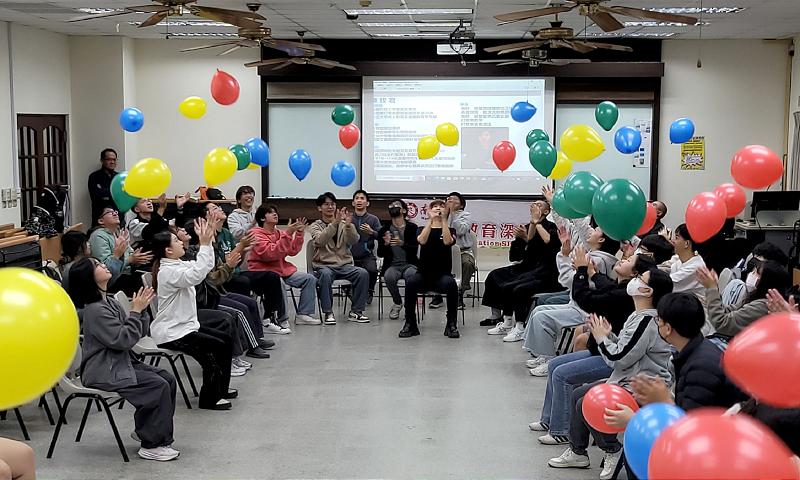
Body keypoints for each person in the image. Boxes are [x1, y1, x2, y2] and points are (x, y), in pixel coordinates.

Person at [603, 292, 747, 480]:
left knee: (638, 440)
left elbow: (693, 428)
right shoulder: (697, 351)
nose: (657, 323)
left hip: (715, 452)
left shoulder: (701, 366)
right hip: (713, 439)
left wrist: (636, 419)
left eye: (658, 320)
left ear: (668, 328)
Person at [548, 268, 673, 479]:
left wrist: (601, 338)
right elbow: (625, 349)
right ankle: (578, 452)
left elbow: (618, 358)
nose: (634, 280)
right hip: (626, 378)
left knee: (584, 402)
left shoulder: (646, 321)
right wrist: (609, 335)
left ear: (647, 290)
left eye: (639, 278)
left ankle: (612, 449)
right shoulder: (638, 316)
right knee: (578, 394)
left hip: (642, 386)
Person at [530, 254, 655, 447]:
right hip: (605, 350)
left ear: (636, 276)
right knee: (554, 365)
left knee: (562, 375)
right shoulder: (623, 291)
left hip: (611, 357)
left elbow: (588, 299)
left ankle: (561, 431)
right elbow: (608, 286)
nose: (623, 259)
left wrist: (582, 272)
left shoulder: (631, 302)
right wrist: (591, 273)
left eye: (629, 261)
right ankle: (549, 419)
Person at [67, 257, 179, 461]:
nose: (103, 265)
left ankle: (147, 430)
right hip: (103, 370)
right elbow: (122, 340)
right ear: (88, 277)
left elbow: (136, 334)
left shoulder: (109, 301)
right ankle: (152, 445)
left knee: (167, 378)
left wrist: (141, 311)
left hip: (118, 363)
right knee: (157, 385)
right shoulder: (96, 310)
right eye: (97, 265)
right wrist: (135, 311)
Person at [149, 219, 236, 411]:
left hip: (184, 327)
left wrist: (207, 242)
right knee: (213, 350)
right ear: (168, 250)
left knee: (225, 340)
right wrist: (204, 244)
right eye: (176, 241)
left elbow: (203, 267)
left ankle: (220, 389)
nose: (181, 242)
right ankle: (209, 399)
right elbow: (196, 275)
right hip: (172, 333)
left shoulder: (177, 264)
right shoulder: (167, 272)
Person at [508, 224, 620, 351]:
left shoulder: (596, 260)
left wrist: (564, 255)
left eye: (596, 230)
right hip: (578, 306)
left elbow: (568, 281)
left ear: (601, 239)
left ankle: (546, 356)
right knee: (538, 310)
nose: (590, 231)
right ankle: (536, 351)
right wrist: (566, 254)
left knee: (541, 317)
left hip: (584, 311)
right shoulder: (598, 257)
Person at [480, 200, 561, 327]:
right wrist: (519, 240)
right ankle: (496, 315)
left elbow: (548, 247)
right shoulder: (527, 227)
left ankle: (514, 320)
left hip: (540, 269)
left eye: (539, 205)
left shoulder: (551, 227)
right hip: (525, 265)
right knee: (494, 275)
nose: (535, 206)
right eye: (534, 204)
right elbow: (515, 257)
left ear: (546, 211)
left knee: (512, 285)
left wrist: (526, 238)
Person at [248, 204, 319, 326]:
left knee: (309, 279)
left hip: (282, 270)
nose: (275, 214)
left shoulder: (279, 233)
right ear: (262, 218)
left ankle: (303, 314)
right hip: (263, 273)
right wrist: (288, 233)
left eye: (275, 212)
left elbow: (292, 251)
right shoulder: (255, 234)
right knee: (278, 282)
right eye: (270, 212)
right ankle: (282, 318)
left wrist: (299, 234)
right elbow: (270, 254)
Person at [400, 199, 460, 338]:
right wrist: (430, 220)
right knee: (411, 282)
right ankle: (410, 323)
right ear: (429, 211)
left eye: (441, 206)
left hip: (443, 275)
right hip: (423, 274)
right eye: (434, 206)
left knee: (451, 284)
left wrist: (444, 220)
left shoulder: (451, 230)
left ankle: (451, 323)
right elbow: (422, 240)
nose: (438, 208)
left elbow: (447, 241)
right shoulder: (421, 229)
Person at [308, 192, 370, 325]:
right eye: (326, 204)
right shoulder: (315, 226)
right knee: (325, 275)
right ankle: (328, 312)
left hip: (344, 265)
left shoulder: (343, 224)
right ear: (319, 208)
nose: (330, 207)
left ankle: (356, 311)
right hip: (324, 265)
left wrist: (348, 226)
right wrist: (334, 223)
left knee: (363, 273)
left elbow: (354, 240)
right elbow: (320, 241)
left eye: (333, 204)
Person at [698, 260, 790, 338]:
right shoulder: (753, 297)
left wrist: (712, 289)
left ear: (766, 282)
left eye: (756, 273)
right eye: (753, 271)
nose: (751, 274)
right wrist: (712, 299)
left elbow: (721, 323)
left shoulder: (762, 306)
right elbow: (729, 310)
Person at [88, 207, 152, 295]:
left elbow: (130, 254)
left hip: (127, 274)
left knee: (153, 275)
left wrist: (138, 258)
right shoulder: (98, 236)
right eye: (109, 212)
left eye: (115, 211)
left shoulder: (118, 233)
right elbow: (105, 269)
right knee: (145, 287)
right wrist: (129, 260)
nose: (115, 213)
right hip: (113, 280)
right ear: (101, 221)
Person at [430, 192, 474, 310]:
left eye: (455, 200)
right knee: (432, 263)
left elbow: (460, 231)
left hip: (462, 251)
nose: (451, 201)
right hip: (443, 251)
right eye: (449, 199)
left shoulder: (465, 215)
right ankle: (437, 294)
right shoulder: (439, 215)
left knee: (468, 264)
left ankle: (459, 293)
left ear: (461, 205)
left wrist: (453, 214)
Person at [376, 199, 419, 320]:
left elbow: (414, 249)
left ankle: (409, 306)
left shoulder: (412, 227)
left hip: (409, 264)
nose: (393, 207)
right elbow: (380, 253)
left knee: (412, 276)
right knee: (388, 276)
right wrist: (385, 244)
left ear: (404, 210)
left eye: (396, 205)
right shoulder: (384, 229)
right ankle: (397, 302)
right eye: (391, 206)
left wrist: (402, 244)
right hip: (392, 265)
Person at [350, 190, 382, 304]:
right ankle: (349, 290)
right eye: (357, 198)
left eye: (362, 198)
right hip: (348, 255)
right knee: (343, 270)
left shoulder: (373, 219)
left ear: (367, 203)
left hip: (367, 255)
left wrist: (371, 232)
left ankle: (369, 291)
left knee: (372, 270)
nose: (359, 200)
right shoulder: (348, 218)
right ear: (353, 202)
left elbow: (381, 236)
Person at [88, 148, 118, 227]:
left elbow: (123, 196)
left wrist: (107, 193)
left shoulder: (119, 177)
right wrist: (115, 192)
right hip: (100, 218)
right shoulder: (94, 176)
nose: (112, 162)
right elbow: (97, 194)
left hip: (118, 218)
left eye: (114, 159)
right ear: (102, 160)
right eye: (109, 159)